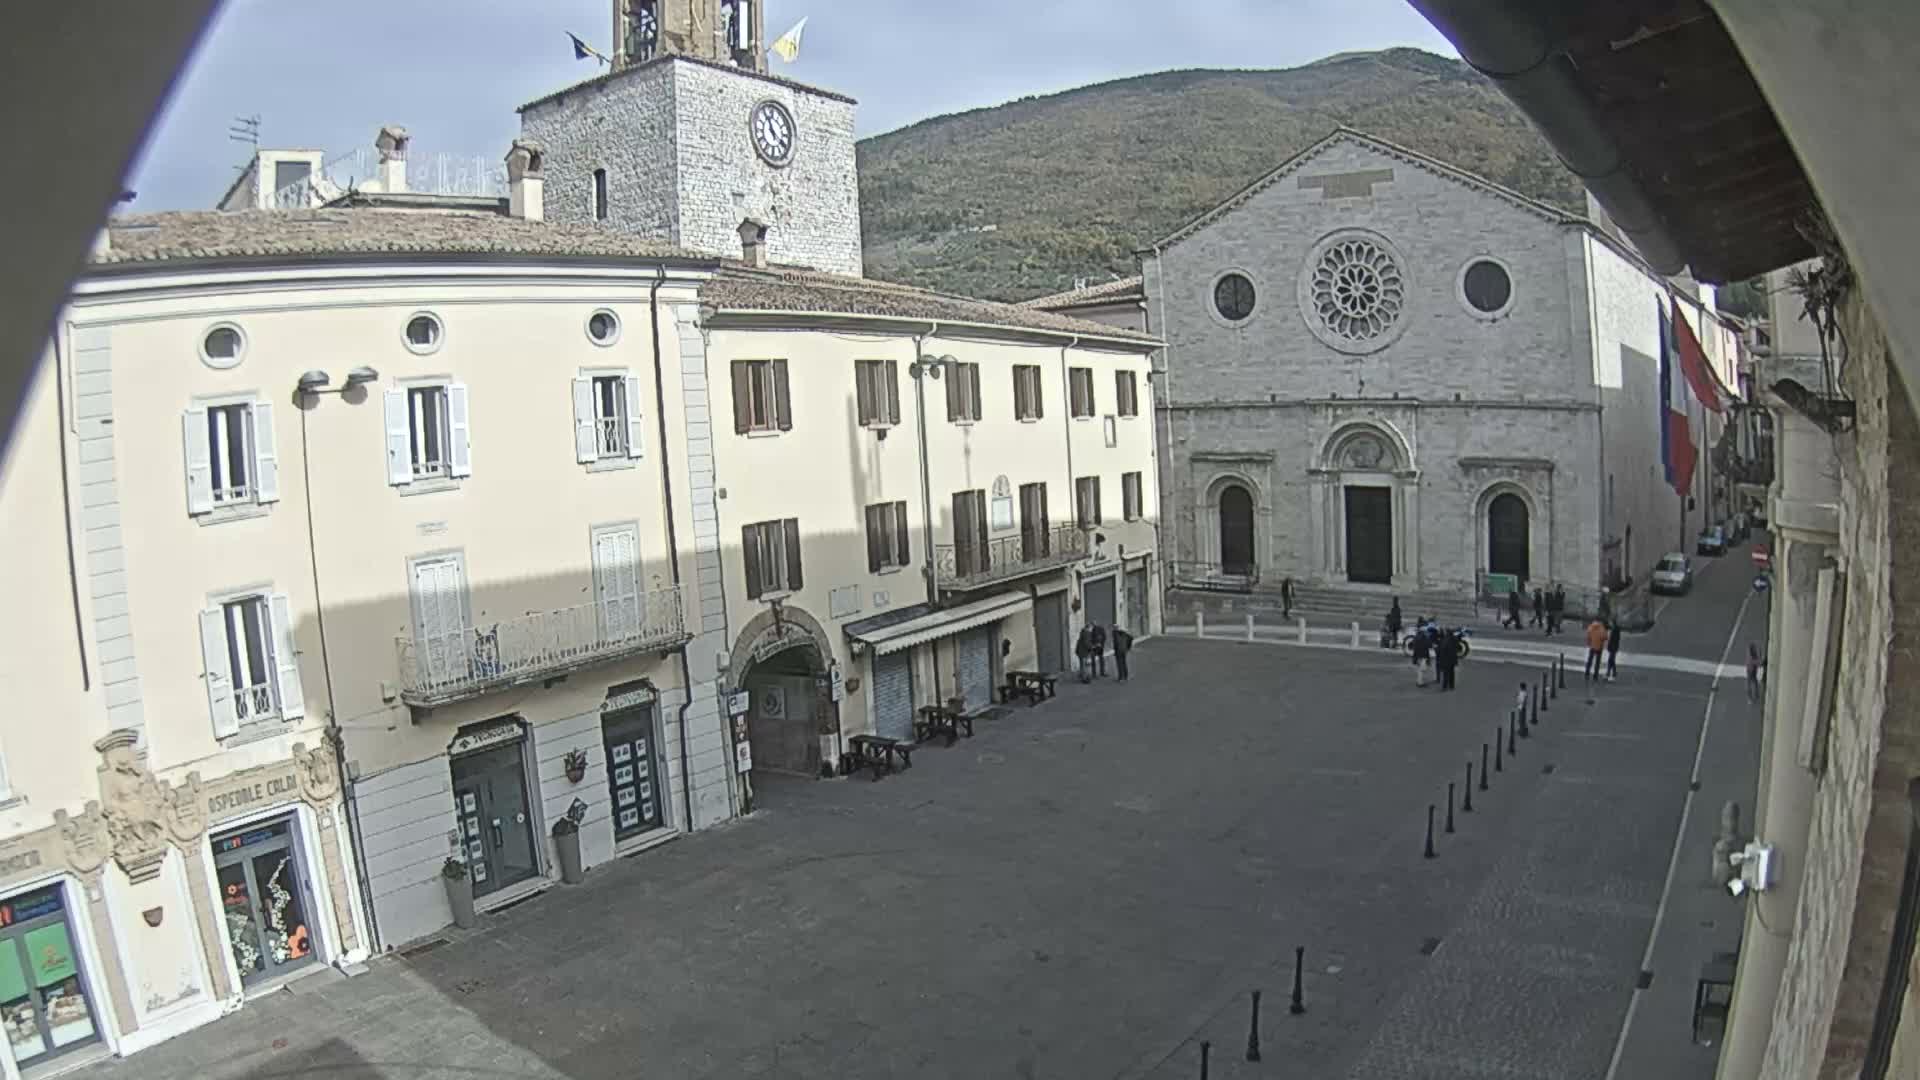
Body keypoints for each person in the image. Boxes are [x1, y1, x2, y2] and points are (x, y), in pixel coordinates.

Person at [1584, 617, 1608, 682]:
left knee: (1590, 660)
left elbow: (1588, 636)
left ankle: (1587, 673)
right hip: (1599, 647)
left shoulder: (1591, 627)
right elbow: (1605, 637)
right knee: (1597, 662)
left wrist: (1589, 643)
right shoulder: (1602, 628)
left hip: (1592, 646)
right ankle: (1595, 676)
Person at [1410, 621, 1432, 687]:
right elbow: (1428, 645)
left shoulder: (1417, 635)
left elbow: (1414, 645)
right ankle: (1420, 683)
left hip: (1418, 655)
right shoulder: (1424, 636)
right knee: (1422, 670)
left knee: (1420, 669)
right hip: (1423, 655)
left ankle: (1419, 682)